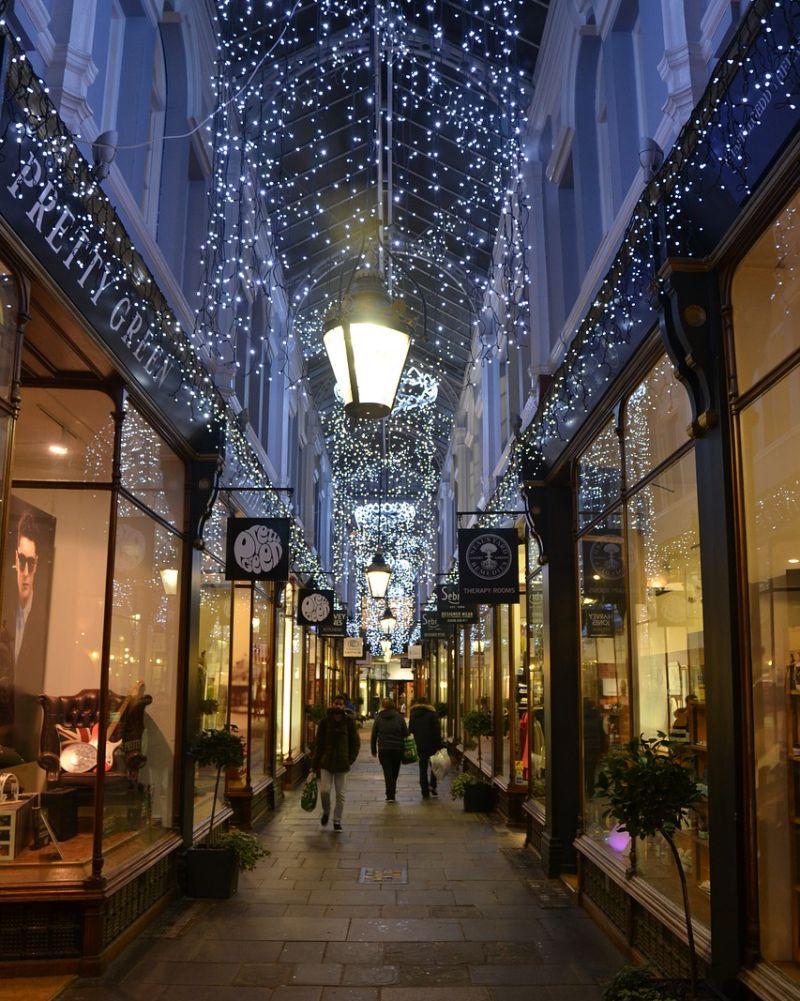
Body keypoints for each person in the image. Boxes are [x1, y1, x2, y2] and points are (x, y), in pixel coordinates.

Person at [311, 693, 359, 832]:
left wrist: (350, 759)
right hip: (326, 762)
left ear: (344, 706)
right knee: (325, 791)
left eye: (340, 704)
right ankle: (326, 811)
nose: (337, 706)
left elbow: (355, 743)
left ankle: (337, 820)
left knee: (340, 794)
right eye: (335, 703)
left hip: (343, 763)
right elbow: (318, 744)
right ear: (332, 704)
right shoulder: (325, 722)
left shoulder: (349, 722)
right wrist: (314, 765)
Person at [371, 697, 408, 802]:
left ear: (383, 706)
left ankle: (390, 794)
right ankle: (391, 792)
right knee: (394, 771)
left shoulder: (378, 718)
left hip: (384, 748)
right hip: (397, 748)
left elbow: (374, 735)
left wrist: (373, 749)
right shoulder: (399, 718)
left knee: (387, 772)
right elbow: (405, 733)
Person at [408, 697, 443, 799]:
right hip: (432, 744)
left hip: (420, 744)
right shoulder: (432, 714)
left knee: (422, 768)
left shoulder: (413, 714)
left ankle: (424, 791)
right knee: (434, 765)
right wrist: (439, 744)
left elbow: (410, 730)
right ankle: (433, 785)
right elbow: (437, 730)